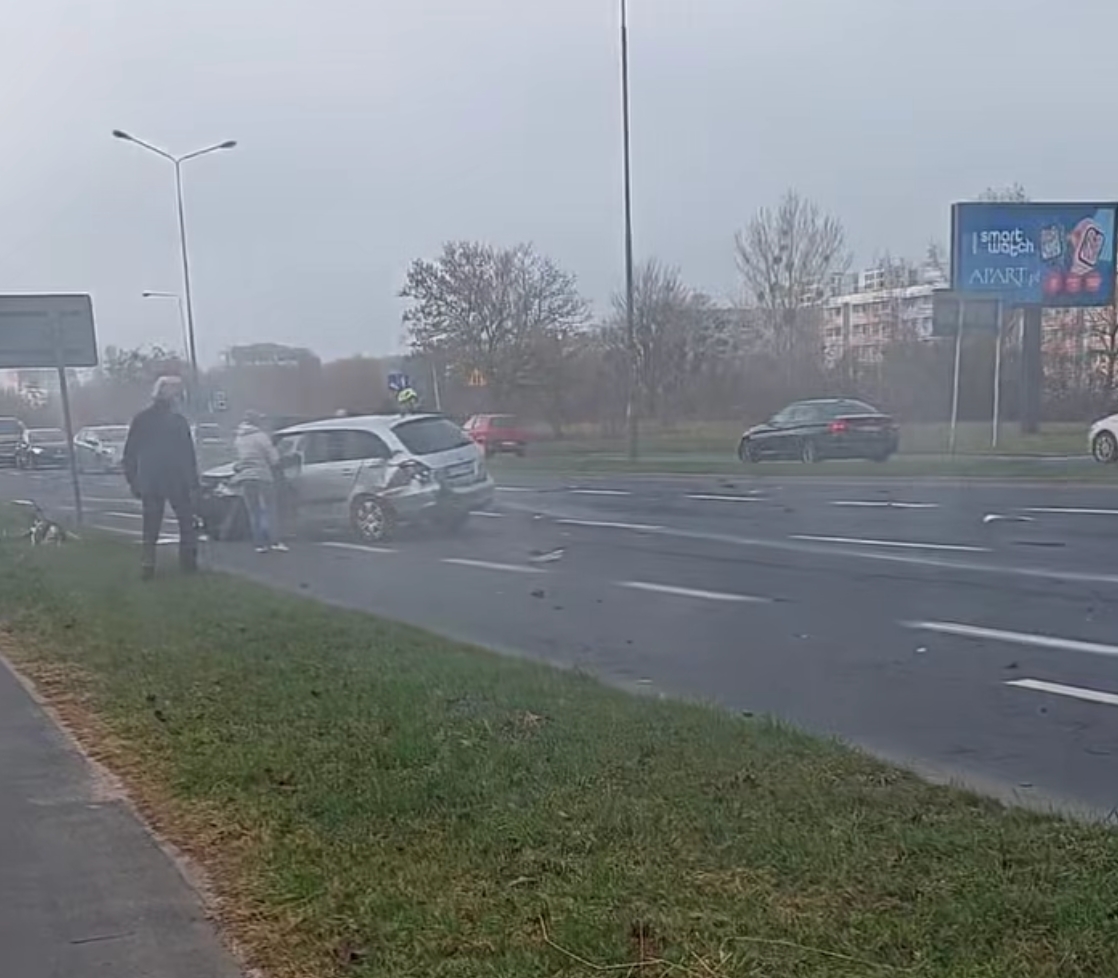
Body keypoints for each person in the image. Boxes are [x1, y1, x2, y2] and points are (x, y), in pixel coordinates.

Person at [123, 375, 200, 580]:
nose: (179, 396)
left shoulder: (142, 419)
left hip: (152, 479)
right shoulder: (177, 421)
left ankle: (148, 565)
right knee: (186, 522)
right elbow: (187, 455)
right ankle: (188, 564)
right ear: (170, 395)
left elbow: (130, 453)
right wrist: (193, 483)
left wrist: (133, 480)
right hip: (176, 479)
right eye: (177, 392)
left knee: (151, 525)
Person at [231, 411, 288, 554]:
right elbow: (273, 458)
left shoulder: (239, 438)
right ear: (256, 422)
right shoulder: (261, 437)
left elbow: (238, 461)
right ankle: (274, 541)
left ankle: (259, 543)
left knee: (254, 511)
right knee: (269, 509)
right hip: (262, 476)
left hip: (246, 478)